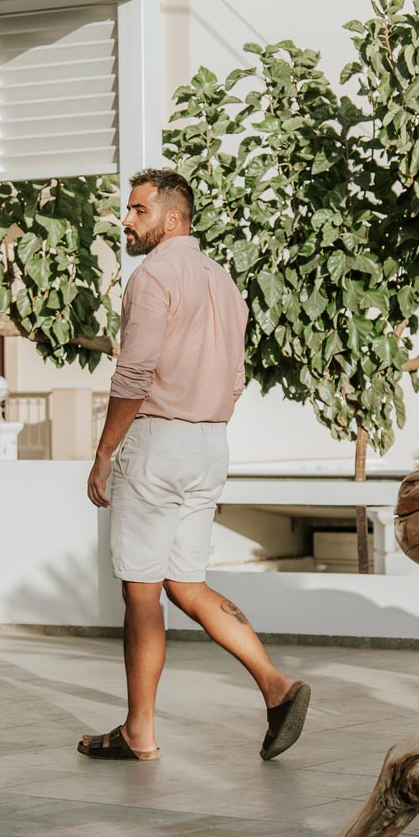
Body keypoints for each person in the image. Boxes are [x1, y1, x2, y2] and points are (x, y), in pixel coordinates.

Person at [79, 169, 310, 763]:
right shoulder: (222, 281)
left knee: (141, 592)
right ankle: (275, 684)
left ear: (171, 218)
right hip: (210, 443)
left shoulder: (152, 277)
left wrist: (106, 452)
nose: (126, 221)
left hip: (156, 442)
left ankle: (140, 732)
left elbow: (133, 373)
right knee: (186, 583)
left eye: (137, 211)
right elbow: (235, 378)